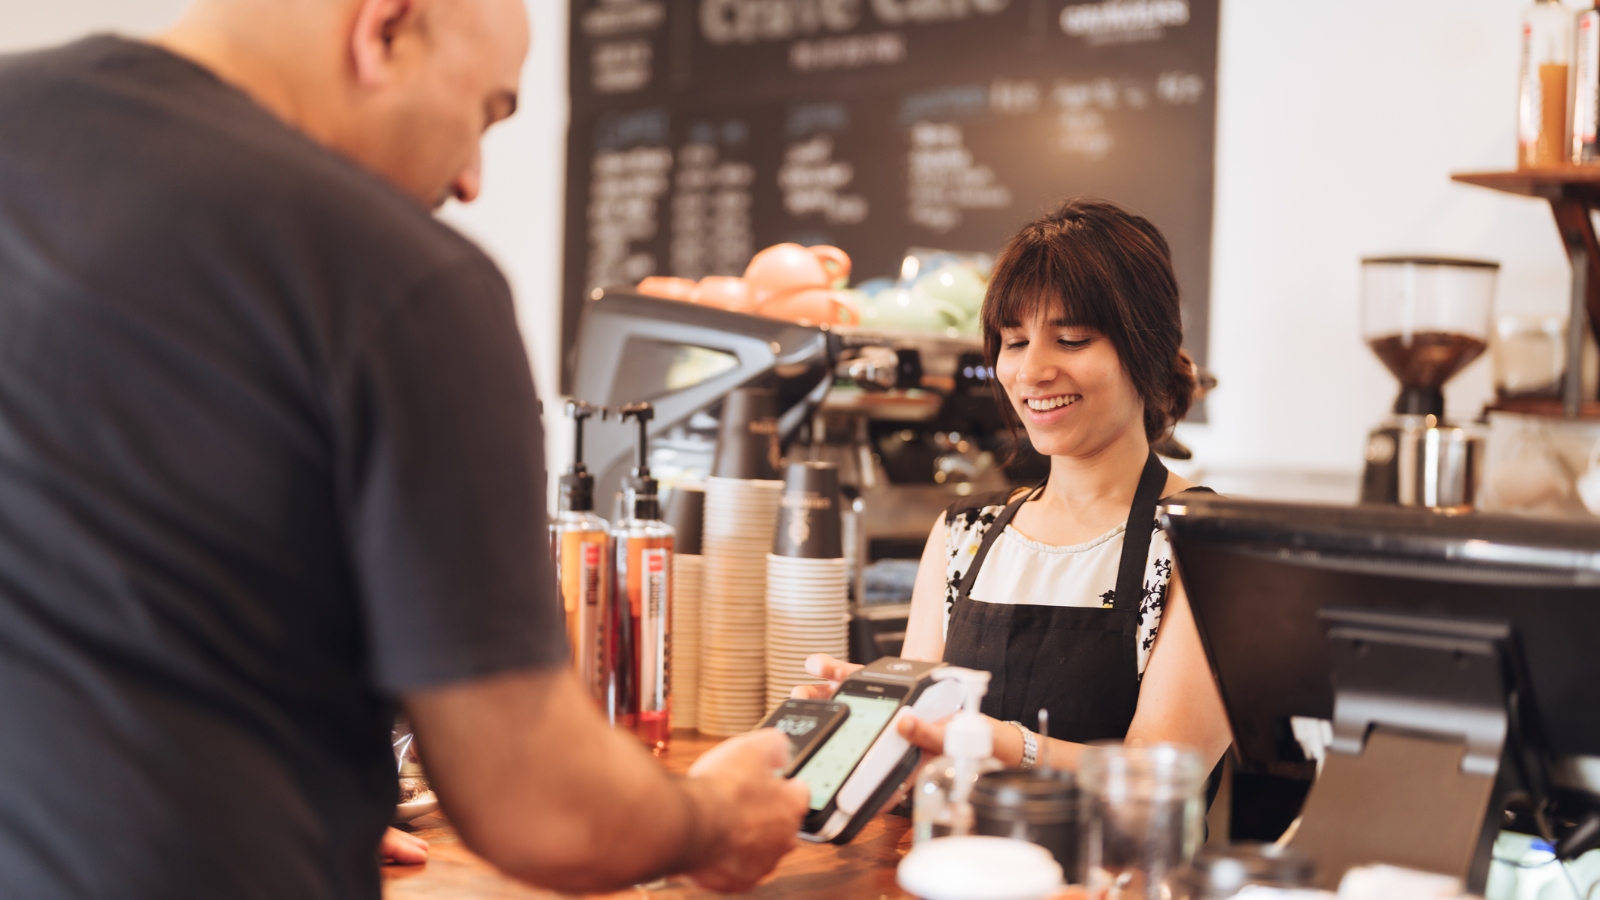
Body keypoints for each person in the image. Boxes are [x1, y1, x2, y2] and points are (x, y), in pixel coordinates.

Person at [0, 0, 807, 897]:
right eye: (486, 113)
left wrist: (290, 786)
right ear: (384, 29)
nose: (470, 180)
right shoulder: (402, 275)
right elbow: (544, 807)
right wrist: (717, 819)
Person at [799, 199, 1231, 774]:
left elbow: (1163, 772)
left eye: (1072, 339)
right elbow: (923, 758)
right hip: (955, 860)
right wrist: (882, 724)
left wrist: (1004, 743)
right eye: (1014, 340)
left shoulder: (1206, 544)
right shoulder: (963, 534)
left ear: (1146, 350)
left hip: (1116, 867)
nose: (1031, 373)